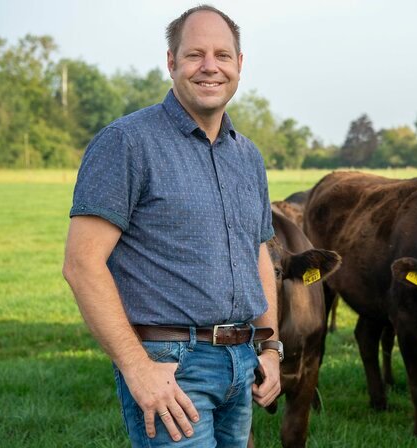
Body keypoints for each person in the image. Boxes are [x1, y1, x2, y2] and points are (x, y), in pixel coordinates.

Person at [62, 5, 282, 447]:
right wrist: (136, 366)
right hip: (170, 367)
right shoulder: (127, 143)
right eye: (194, 54)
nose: (209, 67)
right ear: (171, 62)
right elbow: (82, 264)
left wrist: (271, 349)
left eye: (222, 55)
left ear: (239, 66)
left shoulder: (248, 157)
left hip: (241, 362)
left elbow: (257, 253)